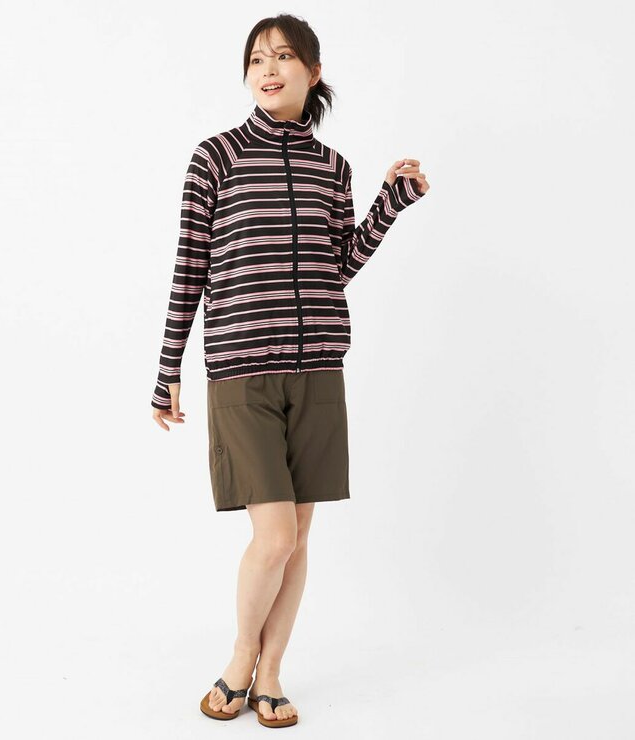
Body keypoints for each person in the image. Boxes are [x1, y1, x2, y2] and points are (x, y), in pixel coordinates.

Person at [150, 13, 429, 728]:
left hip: (319, 370)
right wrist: (168, 365)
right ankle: (241, 657)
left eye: (282, 56)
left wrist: (389, 206)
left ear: (313, 70)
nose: (268, 69)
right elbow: (190, 266)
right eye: (256, 59)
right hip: (243, 370)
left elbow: (338, 265)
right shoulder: (215, 158)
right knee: (273, 537)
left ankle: (272, 673)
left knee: (299, 540)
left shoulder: (333, 168)